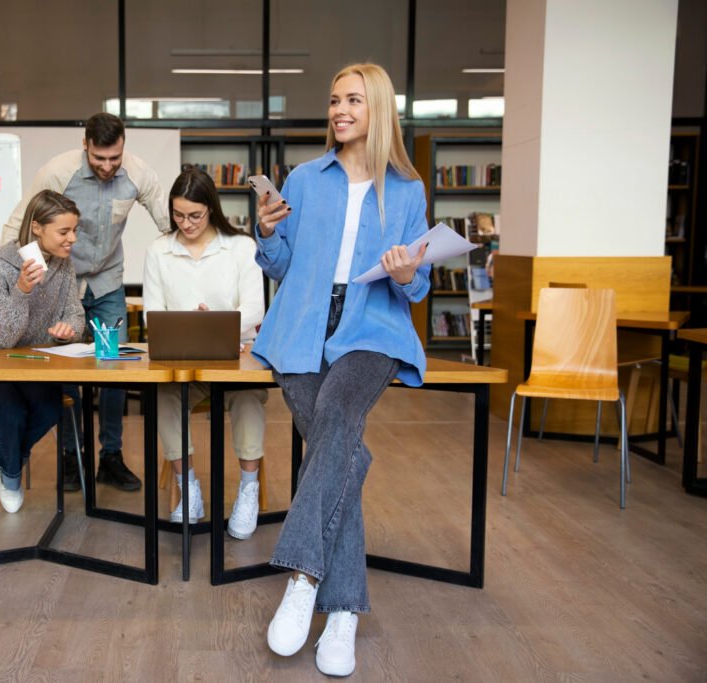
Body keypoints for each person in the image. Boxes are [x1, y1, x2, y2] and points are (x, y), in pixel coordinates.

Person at [253, 63, 430, 677]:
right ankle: (346, 610)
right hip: (302, 321)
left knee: (334, 418)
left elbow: (417, 283)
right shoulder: (303, 178)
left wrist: (408, 273)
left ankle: (303, 578)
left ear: (377, 108)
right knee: (339, 445)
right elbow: (279, 265)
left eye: (352, 99)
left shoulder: (407, 190)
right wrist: (267, 230)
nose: (339, 110)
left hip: (370, 330)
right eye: (333, 101)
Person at [1, 113, 170, 492]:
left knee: (113, 370)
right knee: (66, 372)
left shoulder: (139, 174)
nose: (109, 166)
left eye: (115, 158)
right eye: (99, 158)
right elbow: (19, 224)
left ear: (123, 147)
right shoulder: (58, 172)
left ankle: (111, 456)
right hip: (61, 284)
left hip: (108, 283)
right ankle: (71, 455)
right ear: (86, 146)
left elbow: (168, 224)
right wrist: (17, 274)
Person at [143, 167, 267, 537]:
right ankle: (189, 488)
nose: (186, 223)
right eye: (178, 215)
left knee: (247, 396)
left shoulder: (241, 246)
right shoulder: (159, 250)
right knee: (164, 393)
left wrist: (216, 322)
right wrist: (191, 328)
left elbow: (255, 310)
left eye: (194, 215)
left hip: (234, 357)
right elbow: (154, 314)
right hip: (183, 362)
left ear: (211, 208)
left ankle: (248, 490)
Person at [0, 190, 85, 513]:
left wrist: (68, 329)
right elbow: (4, 336)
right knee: (10, 409)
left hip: (28, 367)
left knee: (51, 407)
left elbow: (76, 316)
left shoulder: (63, 267)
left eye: (75, 230)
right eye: (64, 231)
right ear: (37, 228)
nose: (73, 239)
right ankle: (11, 475)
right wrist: (22, 291)